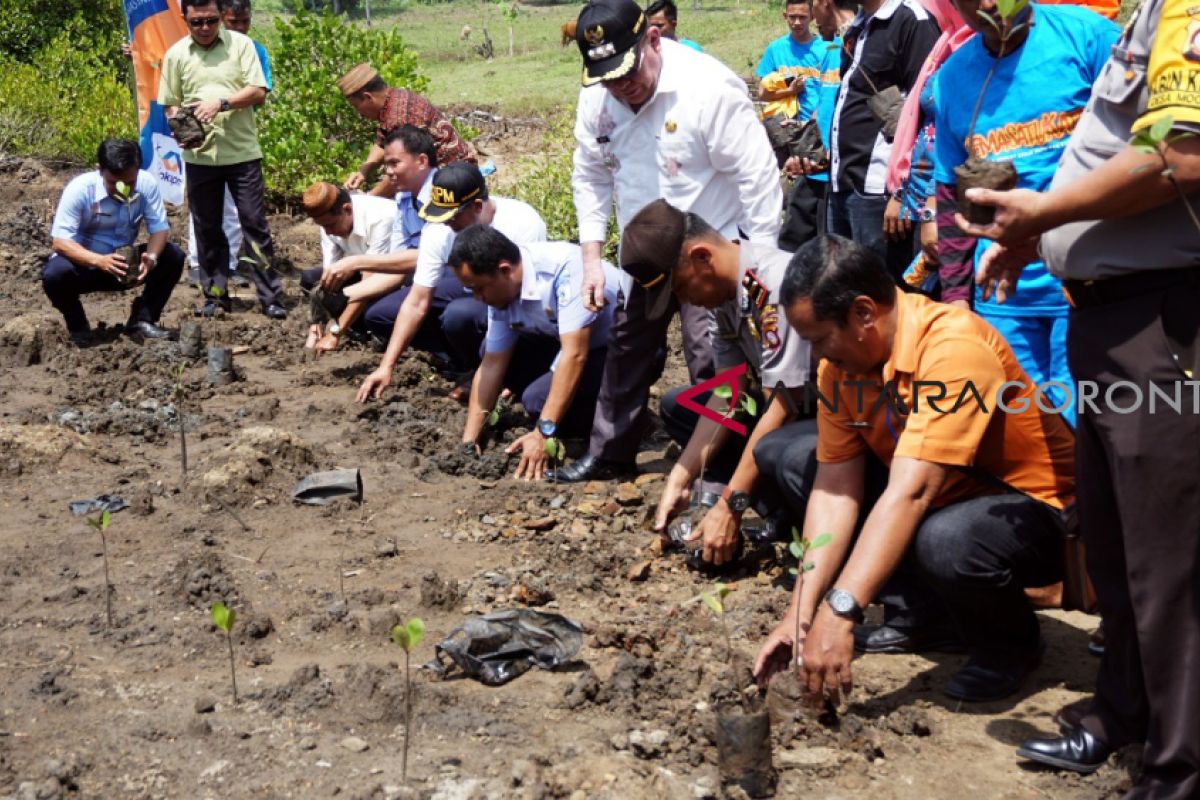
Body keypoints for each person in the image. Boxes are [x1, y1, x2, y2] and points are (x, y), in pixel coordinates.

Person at [955, 0, 1200, 788]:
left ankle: (1178, 764)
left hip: (1161, 324)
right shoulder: (1148, 11)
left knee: (1169, 562)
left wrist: (1044, 211)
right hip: (1109, 318)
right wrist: (1040, 237)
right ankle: (1123, 713)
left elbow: (1183, 160)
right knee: (1116, 541)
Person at [751, 234, 1075, 703]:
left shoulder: (953, 347)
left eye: (820, 339)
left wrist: (839, 610)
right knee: (792, 458)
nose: (818, 355)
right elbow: (835, 491)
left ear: (863, 313)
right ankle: (928, 614)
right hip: (942, 495)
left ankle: (1010, 646)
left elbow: (912, 492)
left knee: (945, 539)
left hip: (1040, 513)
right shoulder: (840, 370)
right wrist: (801, 612)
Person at [554, 0, 783, 483]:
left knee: (713, 364)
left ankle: (721, 467)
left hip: (708, 254)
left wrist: (757, 265)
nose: (622, 87)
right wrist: (592, 259)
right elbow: (589, 175)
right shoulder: (598, 97)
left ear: (654, 40)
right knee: (626, 346)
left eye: (628, 71)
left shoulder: (707, 88)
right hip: (646, 252)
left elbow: (757, 178)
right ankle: (611, 453)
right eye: (608, 78)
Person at [934, 0, 1119, 429]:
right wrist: (958, 300)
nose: (985, 5)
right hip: (1002, 297)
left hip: (1088, 283)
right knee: (1027, 430)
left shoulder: (1089, 39)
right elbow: (949, 192)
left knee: (1091, 426)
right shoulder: (952, 78)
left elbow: (1141, 151)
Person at [619, 200, 812, 566]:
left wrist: (731, 503)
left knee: (777, 447)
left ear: (702, 257)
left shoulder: (773, 287)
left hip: (827, 417)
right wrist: (682, 474)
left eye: (678, 288)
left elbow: (780, 408)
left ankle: (797, 518)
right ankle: (776, 510)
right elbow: (729, 393)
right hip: (790, 414)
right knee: (680, 406)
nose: (683, 302)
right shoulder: (722, 299)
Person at [356, 162, 547, 403]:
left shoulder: (521, 222)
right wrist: (387, 366)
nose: (447, 225)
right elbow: (416, 301)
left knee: (459, 315)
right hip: (469, 285)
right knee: (380, 315)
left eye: (453, 217)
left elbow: (524, 301)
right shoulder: (440, 229)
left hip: (512, 298)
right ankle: (461, 360)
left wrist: (502, 370)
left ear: (477, 206)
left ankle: (499, 372)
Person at [450, 225, 620, 480]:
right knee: (490, 348)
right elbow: (492, 363)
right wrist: (469, 441)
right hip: (565, 343)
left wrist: (544, 432)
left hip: (622, 352)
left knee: (537, 401)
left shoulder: (565, 273)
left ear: (505, 271)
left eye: (478, 288)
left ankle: (622, 420)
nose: (477, 297)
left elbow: (575, 356)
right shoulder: (502, 288)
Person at [158, 0, 285, 319]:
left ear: (220, 18)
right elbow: (169, 103)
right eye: (196, 22)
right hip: (200, 156)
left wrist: (221, 103)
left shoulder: (242, 46)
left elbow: (258, 91)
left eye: (211, 21)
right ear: (184, 17)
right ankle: (215, 295)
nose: (204, 28)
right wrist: (180, 124)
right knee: (207, 227)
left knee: (254, 224)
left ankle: (270, 297)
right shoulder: (175, 55)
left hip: (242, 153)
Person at [826, 0, 938, 278]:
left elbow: (927, 113)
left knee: (883, 295)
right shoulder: (859, 25)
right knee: (847, 289)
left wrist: (904, 191)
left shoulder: (912, 20)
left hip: (879, 192)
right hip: (844, 183)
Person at [44, 139, 185, 346]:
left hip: (124, 267)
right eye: (114, 184)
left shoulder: (146, 183)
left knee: (173, 256)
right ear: (99, 170)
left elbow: (159, 228)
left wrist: (152, 258)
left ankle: (143, 320)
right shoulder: (80, 190)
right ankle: (77, 325)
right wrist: (99, 261)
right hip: (86, 266)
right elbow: (60, 242)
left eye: (130, 183)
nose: (123, 190)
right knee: (54, 275)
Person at [317, 126, 442, 348]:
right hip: (420, 276)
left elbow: (428, 258)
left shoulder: (442, 193)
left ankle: (448, 354)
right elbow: (396, 268)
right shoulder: (403, 198)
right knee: (377, 315)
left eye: (395, 163)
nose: (388, 173)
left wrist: (355, 262)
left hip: (451, 276)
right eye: (386, 165)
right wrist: (342, 295)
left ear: (422, 161)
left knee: (383, 312)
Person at [881, 0, 970, 291]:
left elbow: (950, 139)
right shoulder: (946, 44)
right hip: (918, 198)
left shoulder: (973, 49)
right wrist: (902, 191)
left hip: (948, 204)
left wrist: (933, 211)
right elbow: (923, 129)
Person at [183, 0, 272, 288]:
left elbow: (260, 91)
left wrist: (221, 104)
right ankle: (201, 266)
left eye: (245, 21)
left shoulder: (253, 51)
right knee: (204, 213)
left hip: (239, 139)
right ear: (222, 18)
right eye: (233, 22)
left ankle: (231, 264)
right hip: (203, 145)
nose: (240, 28)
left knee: (240, 212)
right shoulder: (193, 46)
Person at [337, 63, 475, 198]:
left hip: (454, 179)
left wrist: (369, 199)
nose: (359, 113)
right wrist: (363, 172)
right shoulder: (393, 99)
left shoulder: (399, 117)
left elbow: (401, 173)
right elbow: (382, 141)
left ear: (368, 97)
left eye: (356, 106)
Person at [298, 182, 396, 355]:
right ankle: (356, 325)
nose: (328, 232)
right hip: (362, 268)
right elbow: (329, 274)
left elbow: (369, 283)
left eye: (331, 225)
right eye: (322, 227)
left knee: (372, 309)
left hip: (394, 276)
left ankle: (371, 330)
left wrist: (335, 333)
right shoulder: (327, 222)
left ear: (347, 209)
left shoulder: (381, 217)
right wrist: (317, 322)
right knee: (310, 279)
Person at [755, 0, 823, 120]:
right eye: (792, 17)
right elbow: (762, 94)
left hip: (818, 123)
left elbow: (835, 92)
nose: (797, 22)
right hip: (784, 126)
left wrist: (815, 120)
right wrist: (790, 91)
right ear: (785, 16)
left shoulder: (826, 49)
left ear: (812, 17)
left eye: (802, 17)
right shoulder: (775, 49)